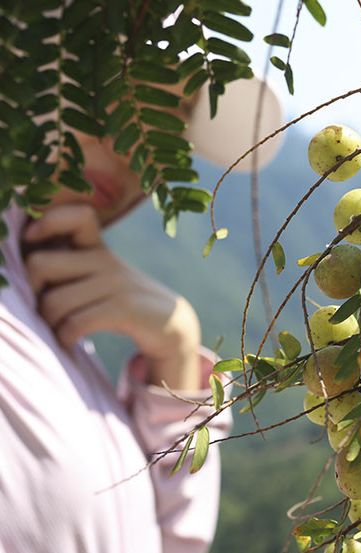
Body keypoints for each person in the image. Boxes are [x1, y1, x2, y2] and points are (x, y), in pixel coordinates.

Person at [0, 77, 282, 553]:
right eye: (113, 89)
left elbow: (174, 544)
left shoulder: (50, 314)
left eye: (170, 129)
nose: (135, 149)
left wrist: (176, 353)